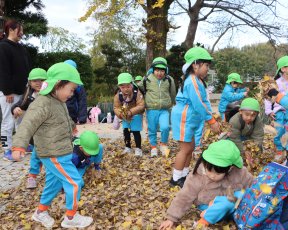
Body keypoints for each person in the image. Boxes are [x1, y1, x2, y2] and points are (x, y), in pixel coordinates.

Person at [11, 63, 93, 229]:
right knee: (75, 182)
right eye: (70, 89)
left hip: (60, 151)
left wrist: (72, 127)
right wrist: (19, 146)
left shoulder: (59, 101)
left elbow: (64, 118)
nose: (72, 94)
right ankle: (71, 218)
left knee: (54, 183)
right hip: (52, 152)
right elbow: (27, 124)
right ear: (58, 84)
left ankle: (40, 213)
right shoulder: (42, 104)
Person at [159, 140, 253, 229]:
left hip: (231, 206)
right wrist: (171, 218)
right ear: (205, 164)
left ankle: (241, 217)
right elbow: (185, 196)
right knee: (227, 202)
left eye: (218, 173)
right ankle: (204, 220)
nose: (212, 176)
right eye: (209, 171)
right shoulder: (198, 176)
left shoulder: (238, 172)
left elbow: (252, 184)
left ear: (230, 168)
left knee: (242, 195)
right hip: (209, 206)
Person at [170, 47, 220, 187]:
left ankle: (184, 175)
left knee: (190, 147)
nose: (207, 69)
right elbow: (198, 103)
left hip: (190, 118)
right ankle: (175, 179)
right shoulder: (192, 81)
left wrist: (212, 115)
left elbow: (205, 101)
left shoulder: (197, 80)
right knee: (185, 149)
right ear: (195, 64)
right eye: (206, 66)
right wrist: (211, 120)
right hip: (184, 117)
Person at [10, 68, 47, 188]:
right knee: (37, 154)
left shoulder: (50, 94)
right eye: (35, 80)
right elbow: (19, 104)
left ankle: (54, 176)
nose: (38, 83)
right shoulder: (29, 95)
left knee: (52, 156)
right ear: (30, 83)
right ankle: (32, 176)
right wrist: (15, 109)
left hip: (50, 130)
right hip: (37, 132)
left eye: (42, 80)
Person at [0, 19, 31, 158]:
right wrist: (7, 91)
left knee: (21, 120)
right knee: (8, 120)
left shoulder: (21, 48)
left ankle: (21, 145)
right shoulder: (3, 47)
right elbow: (3, 71)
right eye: (20, 30)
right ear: (11, 30)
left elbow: (24, 69)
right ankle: (7, 148)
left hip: (21, 91)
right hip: (8, 92)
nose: (22, 33)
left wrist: (27, 88)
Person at [138, 57, 176, 157]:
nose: (159, 73)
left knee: (165, 127)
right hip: (151, 109)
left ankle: (163, 144)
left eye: (162, 70)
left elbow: (173, 93)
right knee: (152, 129)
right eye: (157, 70)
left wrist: (173, 103)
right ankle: (153, 147)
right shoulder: (147, 79)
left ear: (165, 70)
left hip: (164, 109)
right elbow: (139, 88)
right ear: (153, 69)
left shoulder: (169, 80)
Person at [114, 73, 145, 156]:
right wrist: (120, 115)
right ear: (119, 87)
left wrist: (131, 112)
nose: (126, 89)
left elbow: (141, 105)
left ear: (132, 85)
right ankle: (128, 147)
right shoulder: (118, 95)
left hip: (136, 115)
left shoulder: (137, 93)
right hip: (124, 116)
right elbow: (116, 107)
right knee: (126, 131)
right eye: (123, 87)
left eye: (128, 86)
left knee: (135, 131)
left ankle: (138, 148)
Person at [264, 56, 288, 162]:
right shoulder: (276, 83)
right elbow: (268, 98)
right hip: (278, 112)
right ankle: (279, 150)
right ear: (283, 69)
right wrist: (269, 111)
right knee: (278, 132)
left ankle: (286, 151)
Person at [64, 59, 88, 124]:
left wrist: (82, 118)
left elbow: (82, 101)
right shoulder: (59, 82)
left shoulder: (78, 84)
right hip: (60, 116)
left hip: (72, 116)